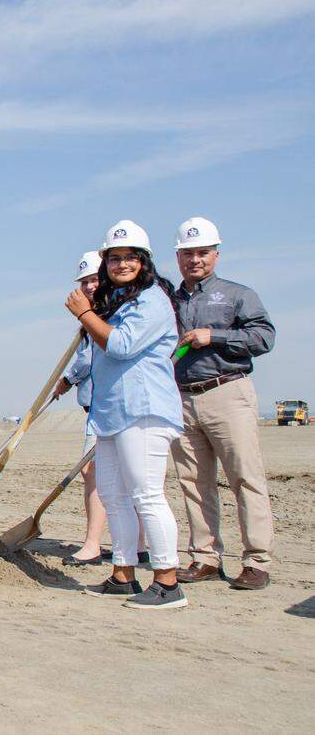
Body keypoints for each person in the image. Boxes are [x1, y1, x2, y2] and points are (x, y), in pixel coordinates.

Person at [66, 221, 186, 610]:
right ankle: (123, 573)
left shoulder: (151, 300)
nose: (121, 264)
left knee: (146, 494)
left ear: (144, 261)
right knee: (114, 496)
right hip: (110, 412)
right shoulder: (116, 302)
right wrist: (93, 313)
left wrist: (85, 314)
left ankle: (168, 582)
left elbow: (120, 345)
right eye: (114, 258)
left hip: (143, 409)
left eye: (129, 257)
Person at [169, 217, 275, 590]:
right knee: (194, 482)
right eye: (188, 253)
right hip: (182, 397)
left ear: (216, 253)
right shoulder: (170, 298)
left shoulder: (236, 294)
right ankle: (205, 557)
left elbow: (263, 337)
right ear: (178, 256)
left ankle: (257, 561)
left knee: (245, 477)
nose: (195, 259)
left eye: (202, 252)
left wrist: (213, 336)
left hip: (226, 391)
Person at [53, 251, 148, 566]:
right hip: (98, 408)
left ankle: (97, 545)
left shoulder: (113, 313)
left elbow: (98, 356)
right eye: (84, 282)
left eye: (94, 279)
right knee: (112, 474)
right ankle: (135, 544)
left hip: (116, 408)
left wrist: (68, 377)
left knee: (101, 473)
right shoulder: (94, 315)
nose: (90, 286)